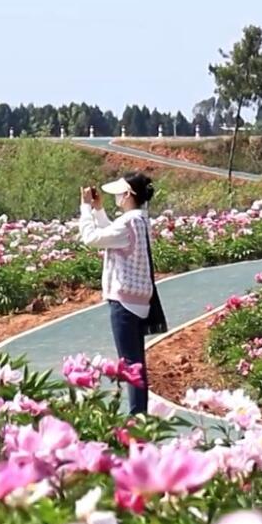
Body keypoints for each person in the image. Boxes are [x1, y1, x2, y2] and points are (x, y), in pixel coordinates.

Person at [77, 172, 168, 415]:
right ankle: (140, 414)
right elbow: (112, 236)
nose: (116, 196)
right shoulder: (139, 219)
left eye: (119, 192)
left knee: (131, 364)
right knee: (136, 361)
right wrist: (98, 211)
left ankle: (137, 416)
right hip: (139, 298)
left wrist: (85, 209)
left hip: (124, 300)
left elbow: (92, 238)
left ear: (127, 194)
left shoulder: (128, 222)